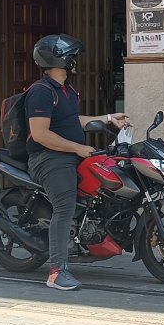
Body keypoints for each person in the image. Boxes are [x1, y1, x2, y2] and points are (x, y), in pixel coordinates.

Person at [26, 34, 129, 291]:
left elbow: (72, 120)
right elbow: (40, 134)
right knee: (65, 206)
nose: (76, 61)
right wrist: (78, 148)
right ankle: (57, 272)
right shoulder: (40, 92)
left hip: (70, 153)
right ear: (60, 60)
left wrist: (107, 118)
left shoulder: (67, 90)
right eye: (72, 57)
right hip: (49, 158)